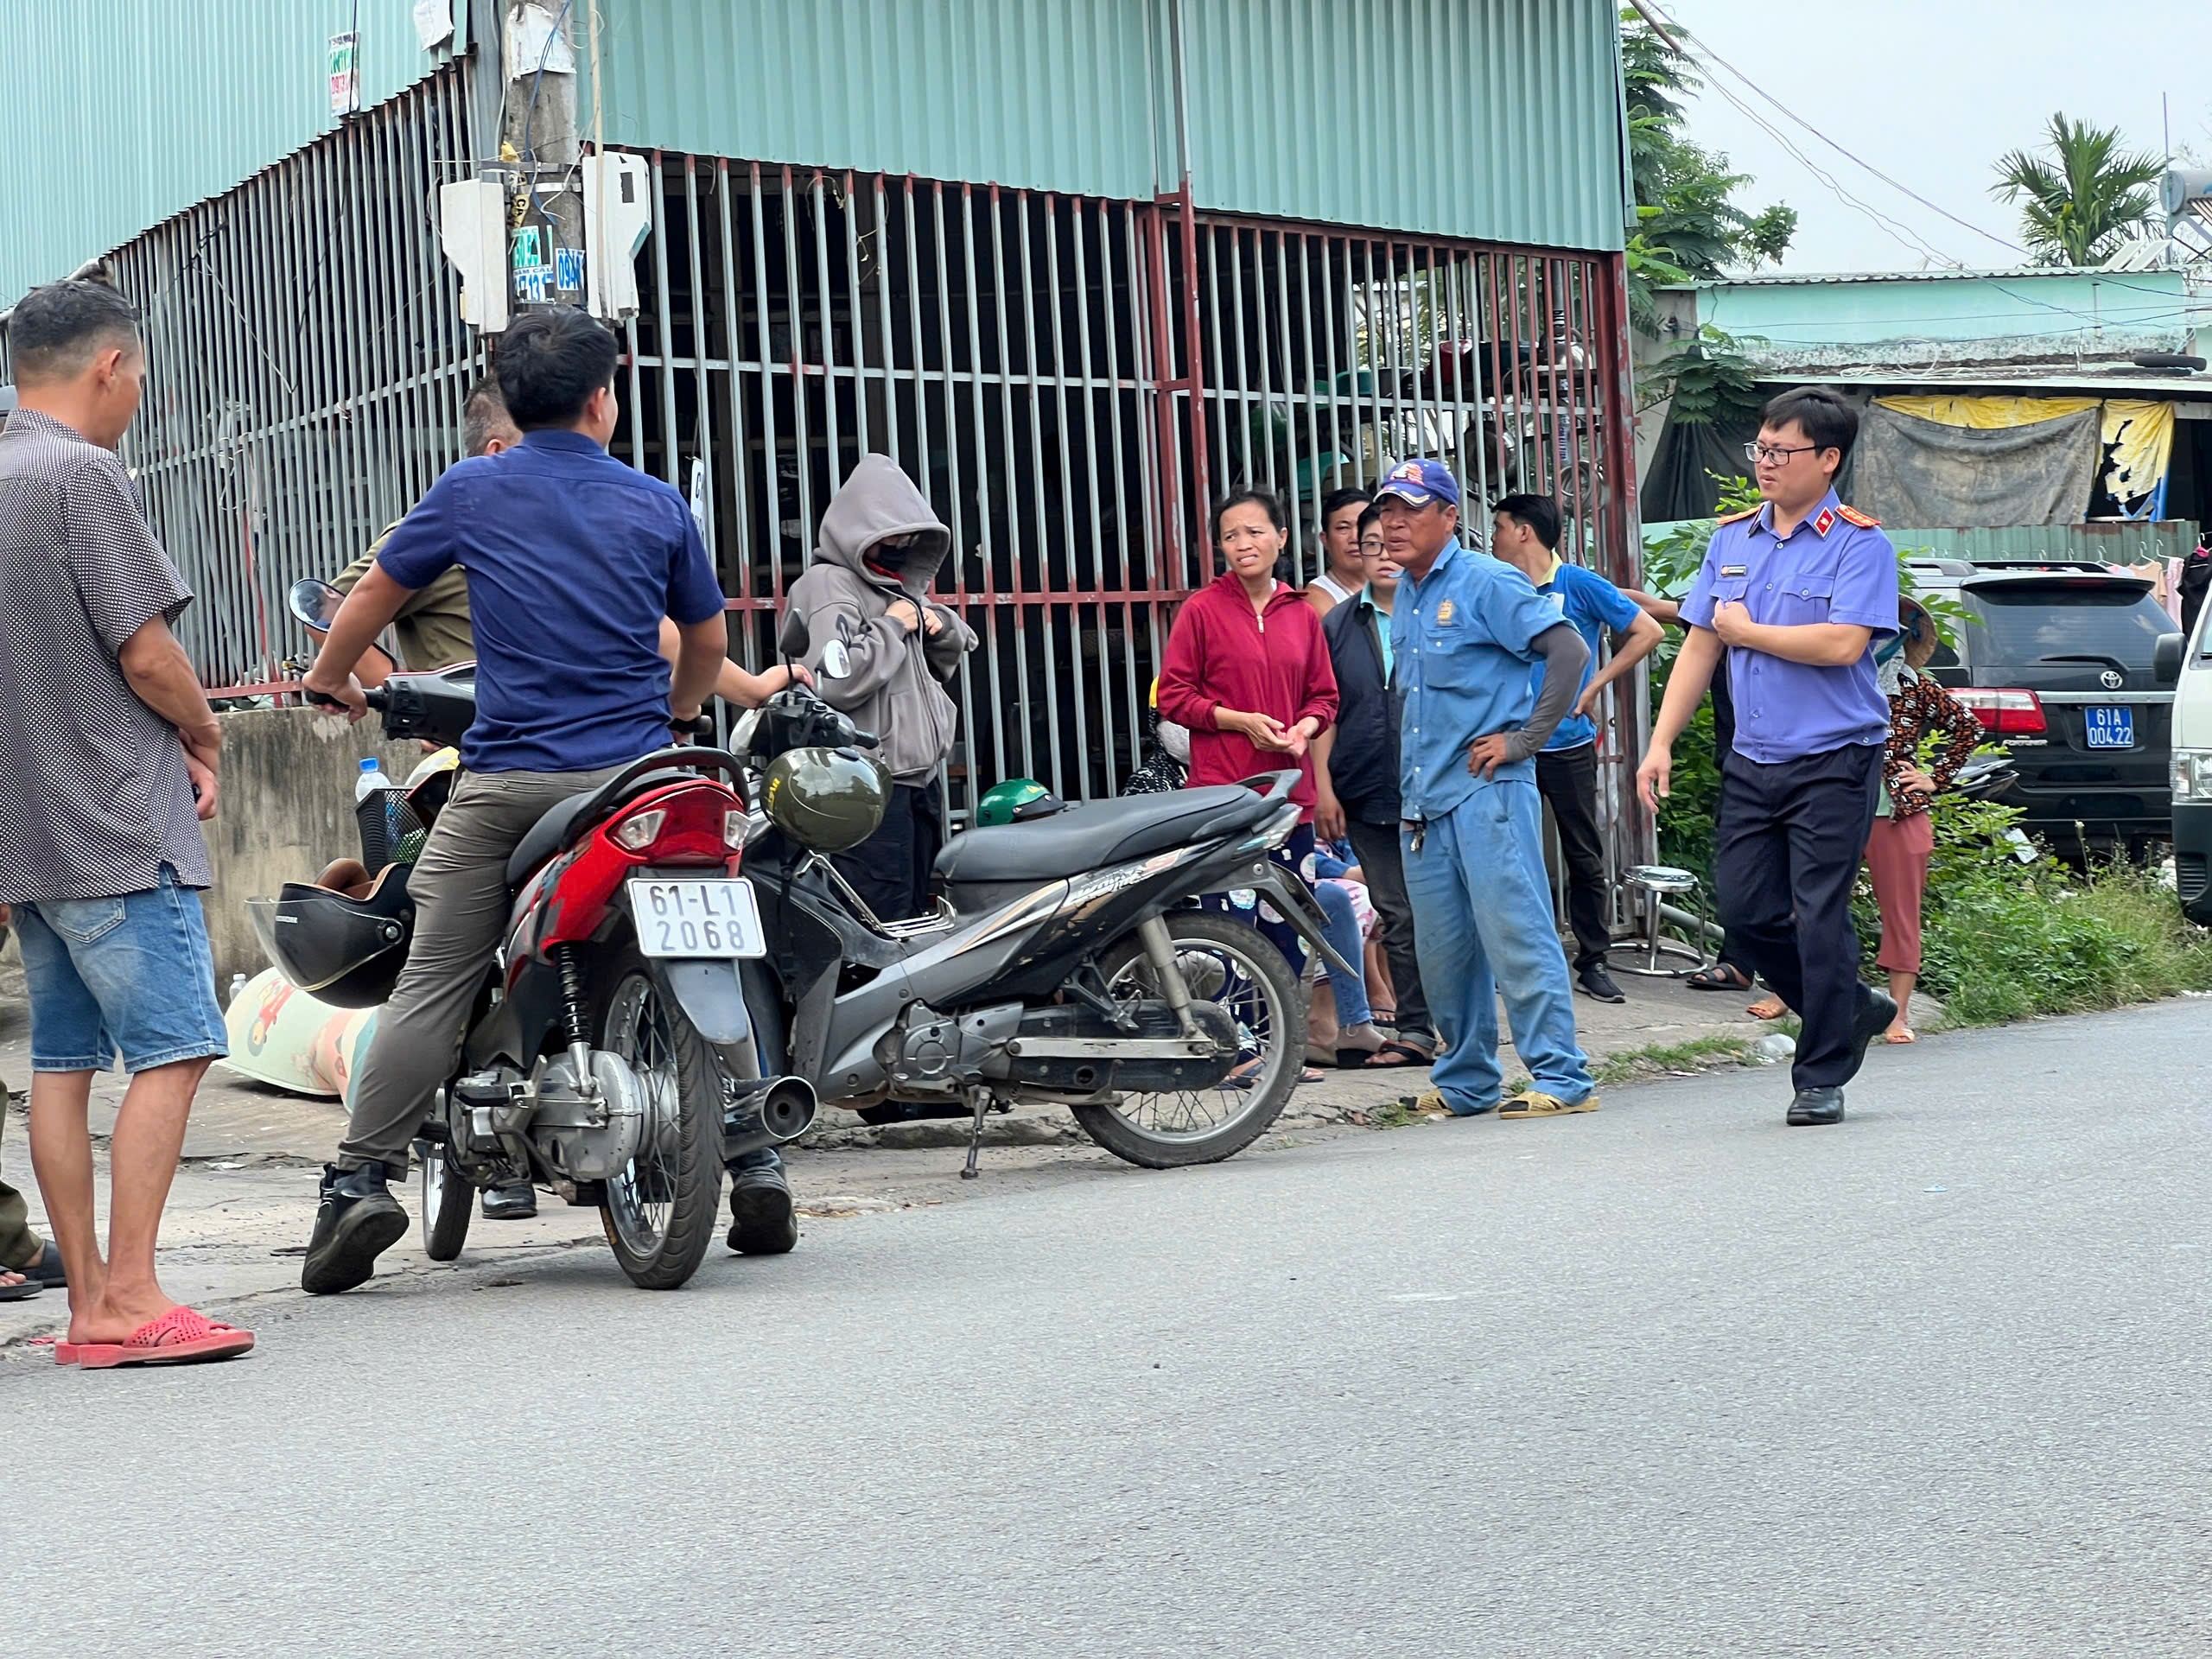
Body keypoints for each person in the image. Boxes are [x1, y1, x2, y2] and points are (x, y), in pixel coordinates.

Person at [297, 306, 796, 1294]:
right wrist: (684, 709)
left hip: (511, 784)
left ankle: (359, 1179)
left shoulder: (473, 488)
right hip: (643, 778)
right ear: (604, 400)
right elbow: (700, 644)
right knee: (720, 938)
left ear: (513, 408)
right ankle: (756, 1158)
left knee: (435, 970)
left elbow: (368, 600)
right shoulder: (656, 505)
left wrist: (327, 678)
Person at [0, 279, 253, 1365]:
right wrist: (206, 734)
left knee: (62, 1061)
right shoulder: (81, 474)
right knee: (178, 1047)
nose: (138, 396)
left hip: (28, 831)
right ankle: (130, 1297)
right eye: (140, 376)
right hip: (113, 819)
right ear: (108, 366)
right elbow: (145, 651)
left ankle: (90, 1305)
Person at [1637, 386, 1901, 1128]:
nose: (1766, 463)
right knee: (1746, 915)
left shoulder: (1859, 543)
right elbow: (1699, 642)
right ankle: (1848, 1007)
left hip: (1834, 758)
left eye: (1782, 451)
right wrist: (1659, 743)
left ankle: (1819, 1073)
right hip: (1752, 759)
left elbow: (1845, 643)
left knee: (1818, 915)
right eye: (1761, 448)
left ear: (1828, 458)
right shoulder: (1733, 540)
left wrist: (1750, 633)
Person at [1379, 458, 1597, 1120]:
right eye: (1387, 510)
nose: (1393, 523)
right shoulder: (1407, 592)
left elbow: (1569, 652)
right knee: (1444, 953)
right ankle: (1467, 1080)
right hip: (1425, 803)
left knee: (1517, 934)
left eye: (1411, 509)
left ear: (1449, 516)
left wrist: (1526, 740)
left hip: (1488, 792)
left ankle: (1562, 1078)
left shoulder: (1485, 580)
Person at [1157, 489, 1341, 1046]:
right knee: (1230, 925)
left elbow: (1324, 696)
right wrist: (1237, 721)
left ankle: (1278, 1049)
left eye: (1256, 531)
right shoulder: (1202, 610)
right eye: (1231, 535)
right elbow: (1173, 697)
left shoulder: (1301, 615)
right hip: (1224, 796)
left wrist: (1305, 728)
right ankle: (1232, 1049)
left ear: (1282, 539)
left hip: (1290, 799)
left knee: (1289, 927)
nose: (1244, 544)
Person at [785, 454, 978, 923]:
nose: (901, 545)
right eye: (891, 534)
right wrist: (893, 626)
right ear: (860, 530)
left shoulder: (896, 586)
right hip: (865, 786)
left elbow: (955, 645)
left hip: (919, 781)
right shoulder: (828, 584)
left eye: (910, 536)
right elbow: (832, 680)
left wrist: (937, 624)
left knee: (918, 914)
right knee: (881, 915)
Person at [1489, 494, 1663, 1006]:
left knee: (1583, 855)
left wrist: (1592, 687)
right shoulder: (1497, 586)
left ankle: (1593, 960)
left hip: (1566, 744)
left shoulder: (1578, 584)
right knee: (1507, 858)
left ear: (1524, 532)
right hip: (1511, 744)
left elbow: (1646, 630)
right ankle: (1514, 965)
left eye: (1500, 526)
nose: (1493, 536)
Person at [1313, 503, 1434, 1067]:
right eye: (1370, 546)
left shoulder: (1440, 612)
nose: (1383, 555)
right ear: (1356, 556)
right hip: (1365, 792)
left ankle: (1459, 1025)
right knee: (1396, 911)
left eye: (1391, 543)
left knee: (1448, 908)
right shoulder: (1336, 627)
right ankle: (1416, 1032)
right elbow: (1325, 711)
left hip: (1438, 789)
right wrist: (1325, 788)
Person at [1863, 595, 1981, 1043]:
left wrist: (1935, 778)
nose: (1881, 641)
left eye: (1892, 632)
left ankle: (1898, 1015)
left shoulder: (1914, 688)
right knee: (1811, 903)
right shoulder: (1834, 680)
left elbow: (1969, 728)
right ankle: (1791, 995)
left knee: (1901, 914)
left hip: (1899, 813)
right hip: (1833, 804)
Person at [1304, 486, 1372, 616]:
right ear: (1325, 540)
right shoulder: (1317, 599)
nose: (1355, 537)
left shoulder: (1395, 584)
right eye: (1343, 528)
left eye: (1364, 525)